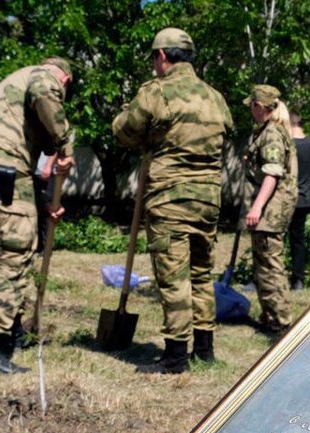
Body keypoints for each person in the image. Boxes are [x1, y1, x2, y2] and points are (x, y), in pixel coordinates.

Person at [112, 28, 233, 374]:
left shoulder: (155, 92)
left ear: (162, 56)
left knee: (173, 276)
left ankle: (175, 356)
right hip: (209, 199)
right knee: (200, 272)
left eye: (153, 58)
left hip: (169, 198)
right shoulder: (215, 96)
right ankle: (205, 350)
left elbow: (123, 132)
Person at [0, 57, 74, 374]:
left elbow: (33, 153)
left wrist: (46, 204)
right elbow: (44, 92)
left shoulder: (8, 87)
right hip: (2, 168)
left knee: (7, 250)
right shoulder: (43, 78)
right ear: (65, 80)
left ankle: (10, 331)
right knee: (13, 253)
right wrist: (67, 145)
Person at [243, 85, 298, 334]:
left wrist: (256, 207)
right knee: (264, 263)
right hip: (271, 209)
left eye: (252, 106)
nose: (251, 111)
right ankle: (271, 316)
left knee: (270, 265)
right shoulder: (268, 131)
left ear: (259, 106)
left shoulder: (272, 134)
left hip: (271, 211)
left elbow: (272, 174)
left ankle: (280, 320)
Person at [289, 111, 310, 290]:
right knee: (298, 241)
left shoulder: (290, 145)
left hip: (287, 198)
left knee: (273, 239)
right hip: (304, 198)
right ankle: (298, 279)